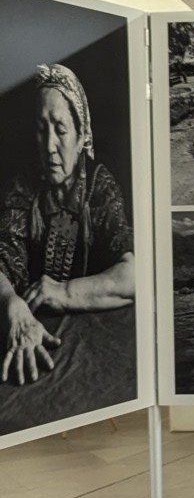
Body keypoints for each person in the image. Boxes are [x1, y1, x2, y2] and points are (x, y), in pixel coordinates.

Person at [0, 65, 136, 386]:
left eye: (60, 130)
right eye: (40, 129)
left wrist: (62, 292)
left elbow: (133, 276)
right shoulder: (23, 187)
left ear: (81, 136)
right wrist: (12, 306)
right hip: (28, 332)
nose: (48, 145)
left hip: (92, 347)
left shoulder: (99, 187)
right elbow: (2, 260)